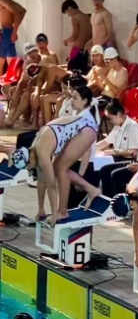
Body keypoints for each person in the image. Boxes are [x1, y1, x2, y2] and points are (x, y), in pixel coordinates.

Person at [29, 84, 100, 222]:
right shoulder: (36, 147)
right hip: (81, 131)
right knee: (58, 169)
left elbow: (51, 185)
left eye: (75, 98)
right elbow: (42, 181)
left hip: (87, 131)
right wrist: (41, 209)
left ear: (85, 101)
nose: (71, 100)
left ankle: (62, 211)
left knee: (61, 169)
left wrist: (54, 215)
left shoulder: (41, 152)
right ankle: (91, 190)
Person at [2, 44, 42, 127]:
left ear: (37, 51)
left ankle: (12, 119)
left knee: (26, 94)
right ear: (27, 55)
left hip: (42, 85)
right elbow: (24, 80)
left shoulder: (43, 60)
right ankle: (10, 116)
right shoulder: (27, 62)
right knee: (15, 90)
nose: (32, 54)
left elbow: (39, 81)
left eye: (33, 51)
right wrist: (19, 89)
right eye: (29, 53)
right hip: (33, 84)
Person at [61, 0, 91, 71]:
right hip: (86, 51)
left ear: (70, 8)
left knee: (71, 72)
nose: (69, 15)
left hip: (77, 50)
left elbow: (75, 36)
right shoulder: (88, 17)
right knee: (83, 72)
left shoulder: (75, 18)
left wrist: (66, 41)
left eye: (67, 12)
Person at [0, 0, 26, 73]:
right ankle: (12, 80)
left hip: (6, 32)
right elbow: (21, 10)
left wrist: (15, 31)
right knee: (11, 61)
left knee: (2, 61)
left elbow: (20, 11)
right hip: (7, 32)